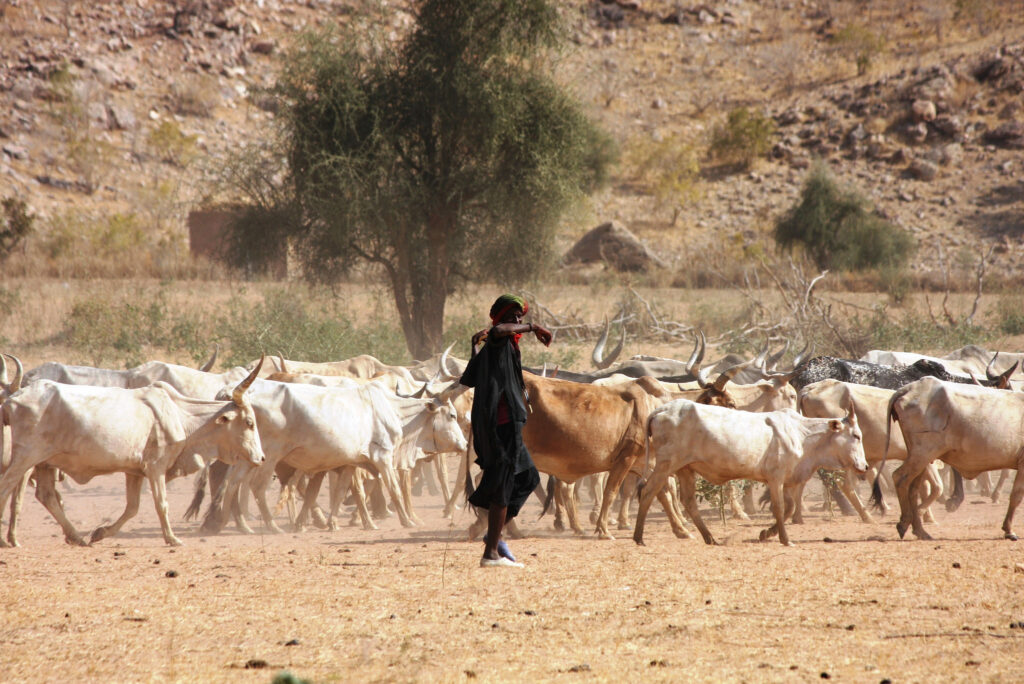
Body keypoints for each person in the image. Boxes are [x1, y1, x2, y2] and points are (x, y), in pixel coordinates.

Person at [459, 294, 552, 568]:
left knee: (528, 478)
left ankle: (494, 536)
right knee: (503, 485)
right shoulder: (499, 339)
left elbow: (473, 375)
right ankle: (490, 554)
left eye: (521, 316)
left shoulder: (498, 347)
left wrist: (475, 348)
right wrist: (534, 328)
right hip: (502, 425)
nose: (518, 320)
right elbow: (499, 331)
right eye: (513, 315)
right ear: (500, 318)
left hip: (509, 425)